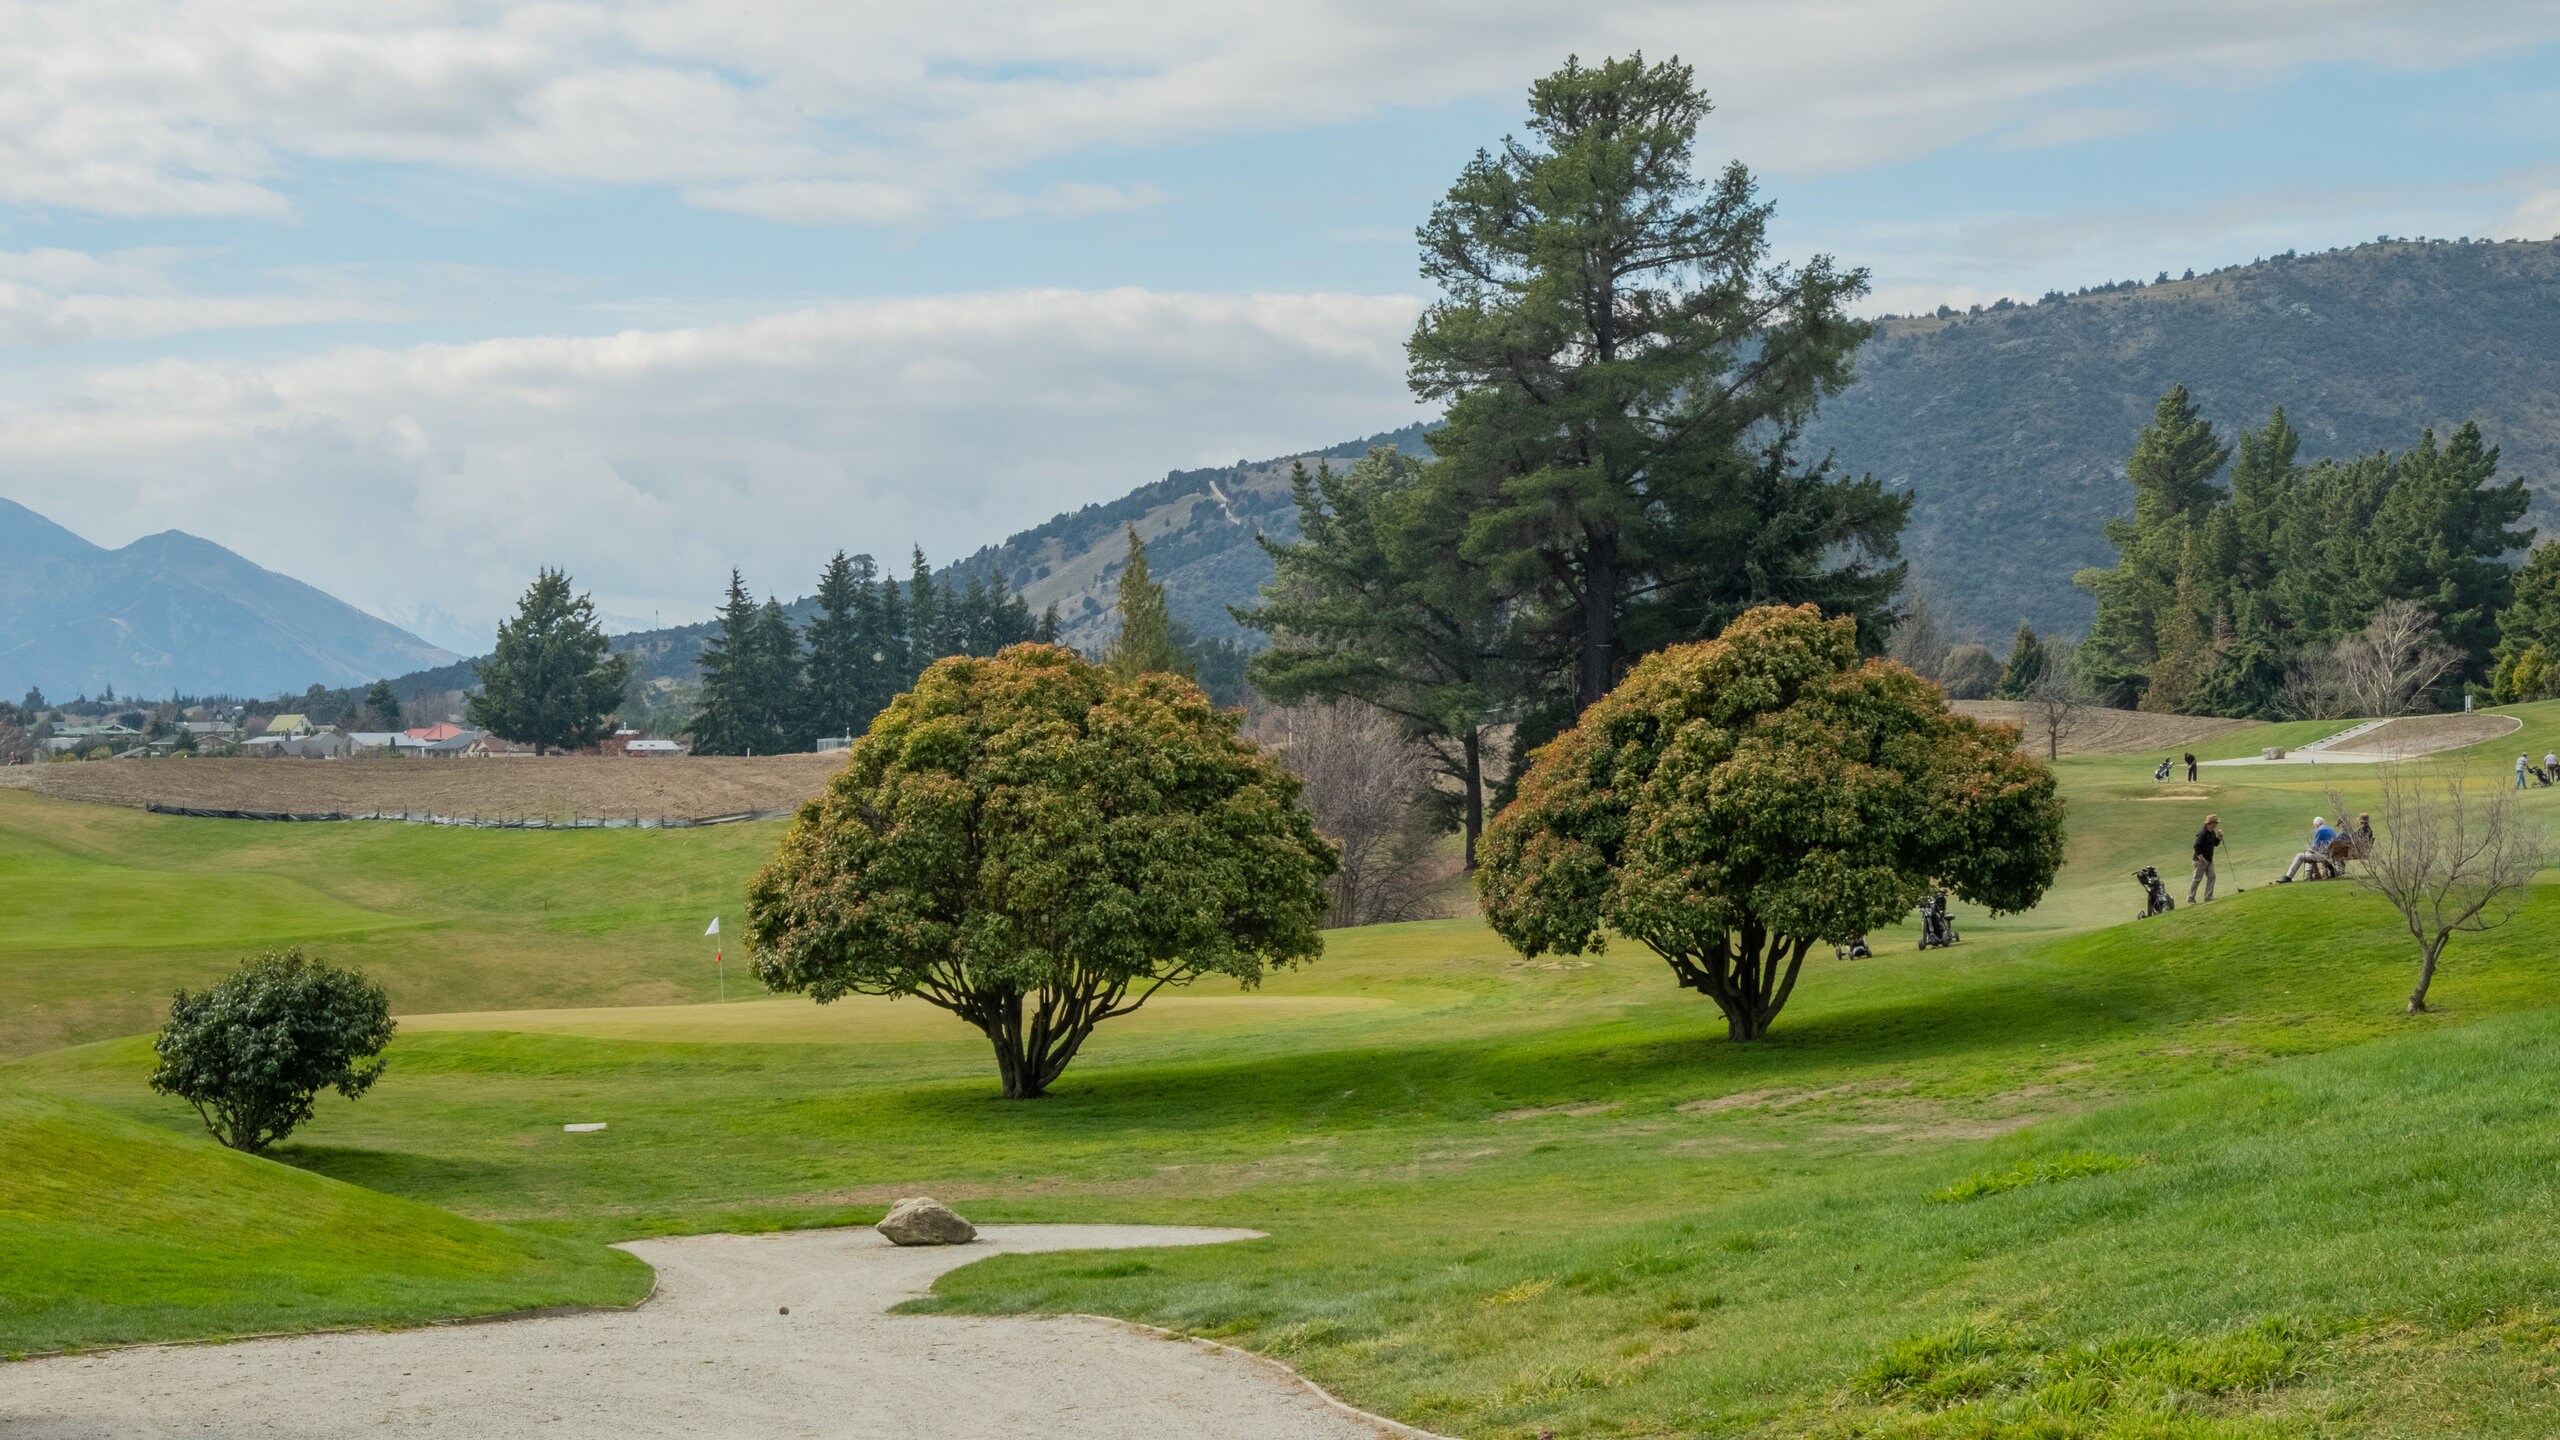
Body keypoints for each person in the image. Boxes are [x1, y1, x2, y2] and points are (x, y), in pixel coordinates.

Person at [2278, 815, 2338, 883]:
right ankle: (2312, 876)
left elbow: (2315, 847)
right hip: (2330, 854)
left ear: (2315, 825)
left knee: (2300, 856)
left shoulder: (2320, 831)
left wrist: (2309, 849)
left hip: (2324, 855)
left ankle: (2288, 877)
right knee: (2308, 854)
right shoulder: (2331, 830)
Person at [2189, 814, 2223, 903]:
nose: (2216, 825)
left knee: (2212, 876)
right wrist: (2201, 858)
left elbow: (2215, 844)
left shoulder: (2212, 832)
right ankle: (2190, 898)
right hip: (2200, 860)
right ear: (2210, 823)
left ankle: (2208, 896)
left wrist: (2219, 837)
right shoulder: (2202, 833)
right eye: (2215, 823)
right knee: (2197, 879)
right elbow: (2196, 846)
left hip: (2209, 860)